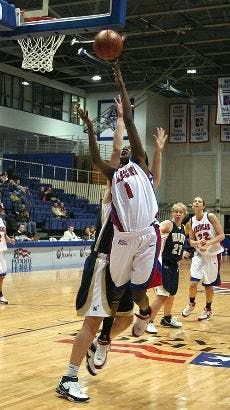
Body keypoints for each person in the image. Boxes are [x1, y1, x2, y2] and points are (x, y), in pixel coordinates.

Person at [76, 61, 164, 339]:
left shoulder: (140, 163)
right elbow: (96, 157)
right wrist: (90, 127)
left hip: (146, 234)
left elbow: (129, 124)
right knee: (114, 289)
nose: (126, 148)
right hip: (122, 238)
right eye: (123, 148)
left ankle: (146, 312)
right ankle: (104, 338)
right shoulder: (113, 176)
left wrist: (121, 82)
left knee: (138, 291)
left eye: (130, 146)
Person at [56, 95, 133, 403]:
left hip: (123, 266)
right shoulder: (113, 191)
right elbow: (115, 151)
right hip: (103, 262)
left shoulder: (140, 195)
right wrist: (120, 120)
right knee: (92, 320)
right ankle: (68, 378)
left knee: (125, 318)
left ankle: (101, 343)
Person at [146, 202, 190, 333]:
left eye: (180, 212)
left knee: (171, 294)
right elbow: (153, 234)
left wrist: (183, 253)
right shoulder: (167, 224)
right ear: (172, 213)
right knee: (162, 295)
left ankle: (166, 318)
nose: (177, 214)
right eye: (175, 211)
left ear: (184, 214)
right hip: (163, 263)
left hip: (174, 265)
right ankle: (148, 321)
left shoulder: (183, 228)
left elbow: (176, 246)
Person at [182, 196, 225, 321]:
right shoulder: (189, 222)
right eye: (194, 201)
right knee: (193, 282)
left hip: (213, 254)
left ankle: (208, 309)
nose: (196, 202)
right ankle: (191, 303)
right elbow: (190, 241)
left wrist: (208, 243)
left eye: (199, 201)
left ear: (203, 206)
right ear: (192, 206)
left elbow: (221, 236)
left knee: (208, 285)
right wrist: (198, 243)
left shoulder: (210, 216)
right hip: (199, 255)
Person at [0, 216, 15, 304]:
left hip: (1, 251)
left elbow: (4, 235)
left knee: (2, 275)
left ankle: (0, 294)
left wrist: (10, 240)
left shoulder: (1, 220)